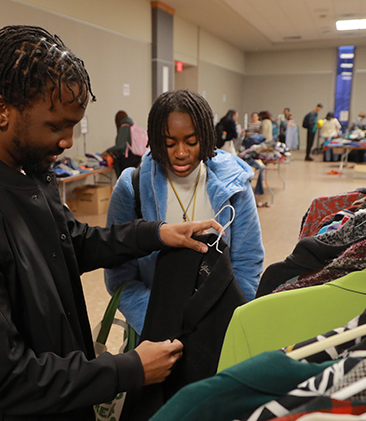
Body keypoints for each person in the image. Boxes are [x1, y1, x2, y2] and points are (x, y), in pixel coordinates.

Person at [0, 26, 223, 421]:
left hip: (64, 396)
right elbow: (3, 379)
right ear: (0, 110)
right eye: (56, 127)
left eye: (73, 125)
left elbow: (71, 241)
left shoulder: (26, 175)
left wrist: (154, 234)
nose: (68, 141)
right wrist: (129, 368)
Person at [105, 89, 264, 335]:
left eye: (191, 142)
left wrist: (230, 321)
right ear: (156, 141)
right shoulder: (132, 188)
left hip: (219, 330)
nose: (181, 153)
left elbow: (247, 262)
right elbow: (119, 275)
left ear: (207, 138)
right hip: (155, 333)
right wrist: (160, 323)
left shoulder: (235, 187)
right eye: (169, 143)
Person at [106, 110, 142, 176]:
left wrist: (107, 151)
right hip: (137, 158)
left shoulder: (124, 127)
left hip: (128, 159)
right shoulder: (132, 126)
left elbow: (120, 145)